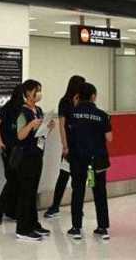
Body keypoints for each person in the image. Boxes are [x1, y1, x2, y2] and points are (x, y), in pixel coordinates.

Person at [66, 82, 112, 240]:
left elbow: (68, 134)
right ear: (93, 96)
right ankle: (102, 228)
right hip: (97, 160)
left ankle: (76, 228)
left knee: (78, 191)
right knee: (99, 192)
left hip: (78, 159)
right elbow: (109, 138)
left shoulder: (72, 113)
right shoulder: (102, 115)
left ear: (78, 96)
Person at [12, 80, 54, 241]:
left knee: (33, 191)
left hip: (37, 154)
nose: (39, 94)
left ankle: (33, 224)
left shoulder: (39, 110)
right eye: (37, 91)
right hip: (26, 156)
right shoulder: (22, 112)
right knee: (26, 192)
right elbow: (20, 135)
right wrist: (30, 125)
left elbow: (40, 135)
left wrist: (47, 127)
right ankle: (22, 229)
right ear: (28, 93)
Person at [45, 75, 86, 219]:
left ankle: (78, 207)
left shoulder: (83, 101)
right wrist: (65, 145)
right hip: (70, 145)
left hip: (82, 145)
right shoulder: (65, 102)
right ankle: (55, 206)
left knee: (79, 179)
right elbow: (62, 125)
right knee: (63, 176)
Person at [0, 85, 22, 224]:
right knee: (12, 180)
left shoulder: (20, 108)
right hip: (10, 149)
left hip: (16, 149)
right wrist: (0, 142)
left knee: (15, 181)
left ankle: (11, 210)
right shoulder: (10, 107)